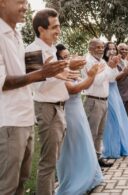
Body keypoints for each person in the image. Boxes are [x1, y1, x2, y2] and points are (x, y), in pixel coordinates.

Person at [0, 1, 66, 194]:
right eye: (20, 1)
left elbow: (29, 77)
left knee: (21, 182)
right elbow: (4, 81)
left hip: (25, 118)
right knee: (7, 187)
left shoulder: (16, 34)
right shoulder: (28, 47)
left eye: (27, 2)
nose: (25, 6)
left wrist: (53, 72)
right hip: (9, 120)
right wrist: (43, 73)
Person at [26, 8, 85, 195]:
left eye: (59, 26)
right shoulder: (33, 51)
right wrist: (60, 73)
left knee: (54, 160)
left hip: (60, 108)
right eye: (54, 27)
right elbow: (37, 87)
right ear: (41, 30)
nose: (59, 31)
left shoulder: (51, 49)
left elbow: (62, 75)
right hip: (47, 108)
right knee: (48, 163)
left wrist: (66, 69)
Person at [55, 44, 104, 195]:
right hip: (69, 113)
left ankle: (87, 177)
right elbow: (74, 89)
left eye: (68, 56)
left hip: (78, 112)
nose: (68, 60)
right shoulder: (59, 74)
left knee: (83, 144)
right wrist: (91, 75)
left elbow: (84, 86)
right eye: (64, 57)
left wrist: (91, 75)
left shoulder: (71, 72)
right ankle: (73, 180)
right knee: (71, 148)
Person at [82, 39, 120, 167]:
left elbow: (112, 78)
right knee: (92, 133)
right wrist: (108, 68)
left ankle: (98, 158)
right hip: (93, 100)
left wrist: (112, 67)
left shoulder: (102, 61)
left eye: (102, 47)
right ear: (90, 48)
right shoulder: (88, 62)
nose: (100, 49)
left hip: (104, 100)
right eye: (97, 47)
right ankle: (90, 162)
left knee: (100, 133)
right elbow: (96, 81)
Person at [101, 42, 128, 158]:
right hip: (109, 92)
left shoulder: (116, 61)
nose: (112, 51)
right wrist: (125, 71)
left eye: (113, 49)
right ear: (105, 50)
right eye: (109, 48)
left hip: (116, 93)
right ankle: (112, 148)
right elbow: (113, 78)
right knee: (111, 122)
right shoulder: (104, 63)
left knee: (120, 121)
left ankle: (121, 145)